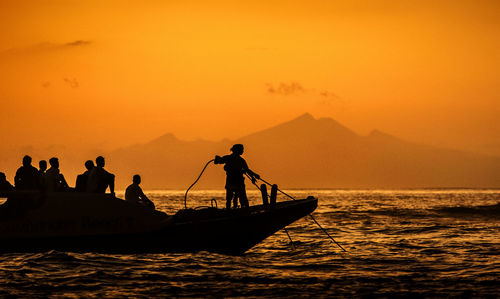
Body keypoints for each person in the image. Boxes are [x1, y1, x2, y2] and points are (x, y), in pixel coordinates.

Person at [214, 144, 260, 209]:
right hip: (238, 182)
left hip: (231, 182)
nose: (243, 151)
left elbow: (218, 161)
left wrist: (254, 176)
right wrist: (255, 175)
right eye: (242, 150)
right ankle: (245, 211)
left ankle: (229, 211)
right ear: (237, 150)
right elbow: (247, 170)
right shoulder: (240, 160)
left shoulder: (229, 158)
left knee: (229, 199)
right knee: (242, 198)